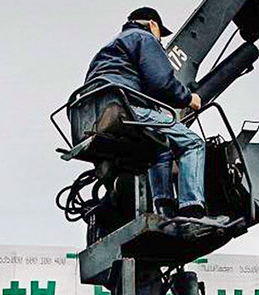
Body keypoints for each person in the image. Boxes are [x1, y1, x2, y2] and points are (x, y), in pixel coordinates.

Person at [85, 7, 227, 224]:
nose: (160, 39)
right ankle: (192, 211)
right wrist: (188, 98)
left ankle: (165, 210)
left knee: (160, 150)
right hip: (126, 109)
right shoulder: (145, 38)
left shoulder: (110, 48)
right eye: (160, 32)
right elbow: (161, 82)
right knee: (193, 143)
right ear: (153, 24)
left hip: (96, 114)